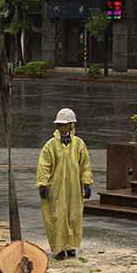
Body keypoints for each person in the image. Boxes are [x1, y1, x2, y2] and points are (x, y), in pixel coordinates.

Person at [36, 107, 93, 261]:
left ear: (71, 126)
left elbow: (85, 164)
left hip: (74, 188)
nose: (61, 127)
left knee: (73, 217)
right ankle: (58, 248)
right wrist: (43, 184)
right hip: (56, 189)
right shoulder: (50, 145)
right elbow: (44, 165)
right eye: (59, 125)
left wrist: (86, 183)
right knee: (57, 217)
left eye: (64, 125)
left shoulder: (79, 144)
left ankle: (70, 246)